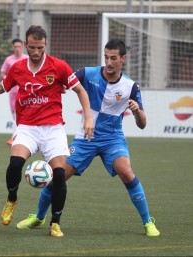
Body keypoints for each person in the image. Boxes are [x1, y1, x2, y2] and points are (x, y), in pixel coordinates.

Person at [0, 25, 94, 237]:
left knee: (59, 175)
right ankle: (12, 198)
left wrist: (88, 117)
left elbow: (80, 90)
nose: (36, 52)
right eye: (32, 47)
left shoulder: (59, 66)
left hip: (53, 128)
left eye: (40, 47)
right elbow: (0, 87)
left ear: (45, 44)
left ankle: (55, 223)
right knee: (15, 164)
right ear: (26, 45)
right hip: (27, 127)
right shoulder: (18, 68)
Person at [16, 39, 160, 237]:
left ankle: (147, 222)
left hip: (112, 139)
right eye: (106, 57)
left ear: (123, 59)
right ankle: (39, 217)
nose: (109, 62)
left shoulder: (130, 86)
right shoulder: (87, 73)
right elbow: (65, 81)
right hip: (86, 138)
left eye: (113, 58)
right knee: (58, 176)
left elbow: (142, 123)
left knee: (126, 172)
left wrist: (136, 111)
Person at [0, 38, 28, 146]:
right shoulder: (9, 60)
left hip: (25, 92)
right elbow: (2, 73)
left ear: (23, 47)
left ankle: (14, 138)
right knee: (15, 116)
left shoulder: (27, 59)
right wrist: (9, 79)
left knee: (20, 115)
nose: (17, 49)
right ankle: (18, 137)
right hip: (13, 93)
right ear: (13, 48)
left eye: (19, 46)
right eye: (15, 47)